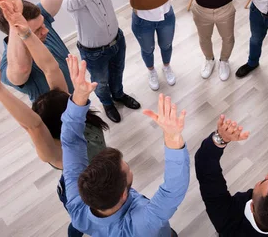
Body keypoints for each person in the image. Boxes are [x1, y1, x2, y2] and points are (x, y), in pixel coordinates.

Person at [0, 0, 108, 237]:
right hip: (87, 191)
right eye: (71, 103)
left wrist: (25, 31)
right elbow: (34, 126)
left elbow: (49, 67)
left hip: (103, 171)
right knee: (82, 222)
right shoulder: (58, 151)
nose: (74, 103)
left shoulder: (72, 111)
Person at [61, 54, 190, 236]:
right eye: (128, 169)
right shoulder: (141, 226)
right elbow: (172, 191)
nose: (129, 167)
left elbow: (70, 143)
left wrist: (79, 97)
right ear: (123, 194)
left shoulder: (76, 207)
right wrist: (172, 137)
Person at [63, 0, 140, 123]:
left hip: (117, 40)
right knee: (101, 83)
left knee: (118, 73)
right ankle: (107, 104)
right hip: (94, 52)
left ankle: (120, 95)